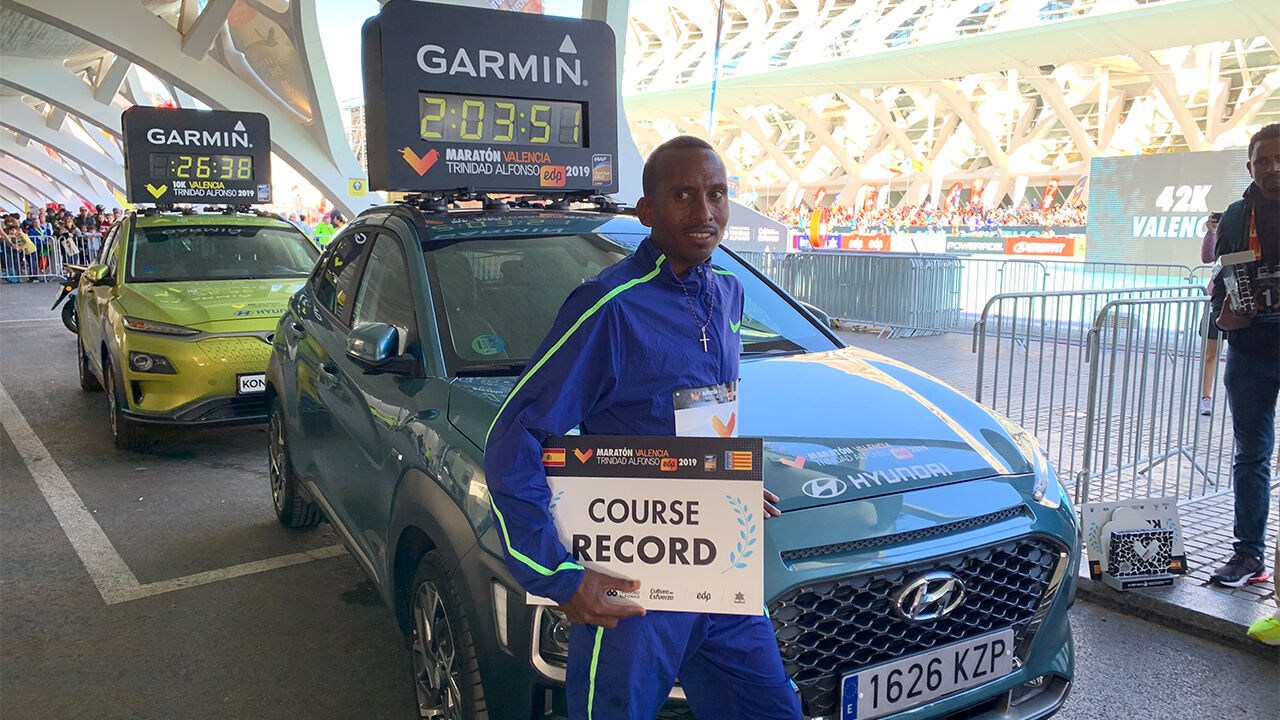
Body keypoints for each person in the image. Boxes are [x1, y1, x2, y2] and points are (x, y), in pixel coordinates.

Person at [484, 136, 800, 720]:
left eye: (717, 194)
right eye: (683, 195)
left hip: (719, 562)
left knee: (771, 709)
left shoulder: (728, 291)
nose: (704, 211)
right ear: (647, 211)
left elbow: (700, 413)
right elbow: (514, 436)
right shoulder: (610, 306)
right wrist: (557, 573)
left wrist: (725, 481)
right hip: (635, 577)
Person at [1208, 123, 1279, 589]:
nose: (1275, 168)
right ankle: (1249, 554)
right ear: (1249, 166)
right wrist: (1224, 317)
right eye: (1264, 160)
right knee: (1251, 456)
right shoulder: (1237, 217)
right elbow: (1222, 282)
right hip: (1250, 355)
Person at [1199, 212, 1222, 416]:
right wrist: (1212, 232)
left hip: (1243, 300)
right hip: (1216, 299)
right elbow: (1207, 257)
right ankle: (1206, 398)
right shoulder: (1224, 236)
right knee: (1210, 353)